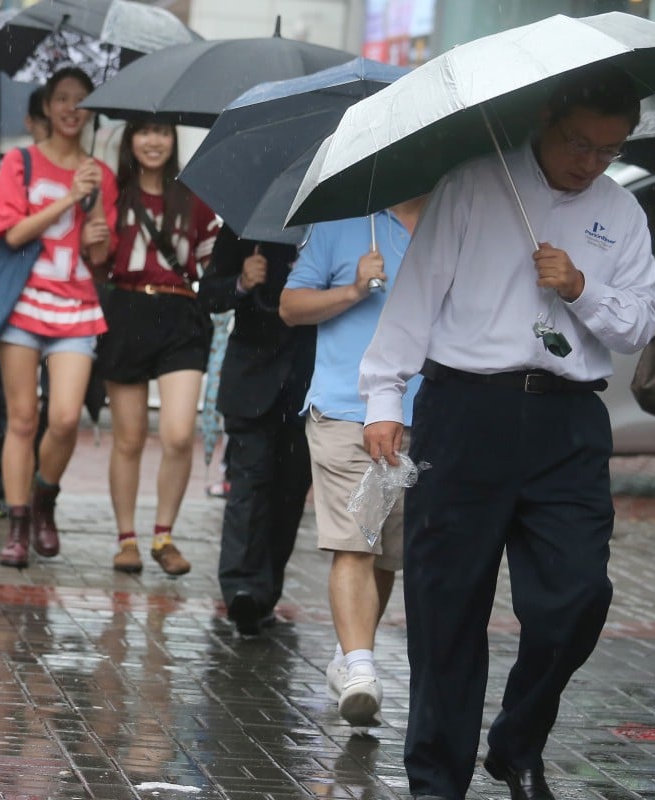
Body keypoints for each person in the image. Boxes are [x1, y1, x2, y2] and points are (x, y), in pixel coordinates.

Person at [360, 67, 655, 800]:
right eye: (579, 144)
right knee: (446, 606)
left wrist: (582, 287)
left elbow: (642, 326)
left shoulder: (620, 212)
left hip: (569, 421)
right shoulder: (472, 184)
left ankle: (518, 740)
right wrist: (382, 396)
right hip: (466, 411)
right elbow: (417, 294)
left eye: (608, 149)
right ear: (549, 120)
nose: (589, 162)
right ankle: (437, 779)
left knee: (578, 594)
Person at [279, 199, 426, 726]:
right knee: (354, 541)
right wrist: (353, 290)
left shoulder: (458, 217)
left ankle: (349, 652)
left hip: (426, 411)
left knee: (385, 550)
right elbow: (290, 306)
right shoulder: (343, 221)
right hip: (346, 408)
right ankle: (362, 667)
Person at [0, 66, 117, 568]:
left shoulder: (101, 174)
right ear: (47, 105)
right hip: (21, 302)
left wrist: (97, 227)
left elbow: (101, 257)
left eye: (81, 100)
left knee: (65, 418)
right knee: (23, 419)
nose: (71, 109)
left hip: (77, 304)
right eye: (62, 98)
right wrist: (69, 196)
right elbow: (11, 234)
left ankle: (45, 500)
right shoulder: (19, 162)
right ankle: (19, 524)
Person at [98, 118, 219, 576]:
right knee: (128, 439)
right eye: (144, 132)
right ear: (131, 140)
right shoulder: (112, 194)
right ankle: (126, 538)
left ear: (173, 140)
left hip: (180, 315)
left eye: (163, 132)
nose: (154, 141)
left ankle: (164, 535)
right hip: (125, 313)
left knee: (177, 433)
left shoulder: (194, 197)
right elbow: (98, 258)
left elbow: (211, 263)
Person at [198, 225, 315, 635]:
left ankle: (267, 591)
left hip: (311, 382)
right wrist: (242, 282)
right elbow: (210, 294)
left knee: (289, 492)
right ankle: (242, 590)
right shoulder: (250, 225)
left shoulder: (339, 221)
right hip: (252, 378)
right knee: (248, 484)